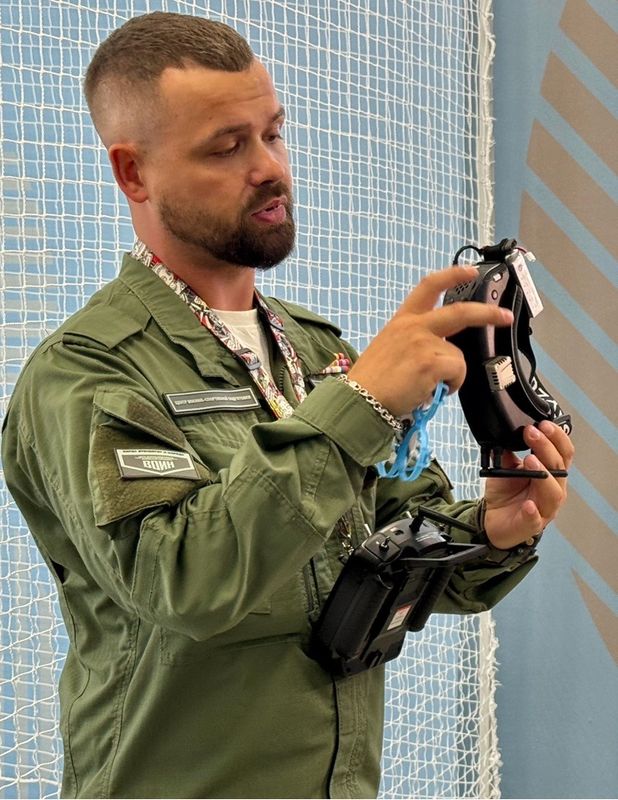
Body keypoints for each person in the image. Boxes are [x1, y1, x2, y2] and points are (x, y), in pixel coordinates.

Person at [1, 12, 573, 800]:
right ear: (133, 173)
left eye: (273, 133)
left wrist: (494, 530)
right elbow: (185, 583)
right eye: (226, 147)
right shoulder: (89, 371)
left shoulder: (314, 350)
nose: (269, 167)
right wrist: (360, 403)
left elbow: (396, 540)